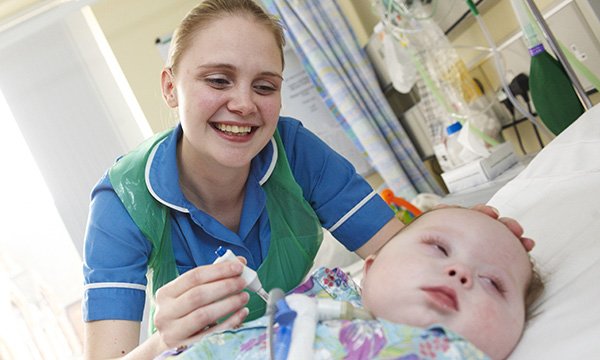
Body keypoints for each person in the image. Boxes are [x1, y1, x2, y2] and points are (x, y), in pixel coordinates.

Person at [81, 1, 534, 358]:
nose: (243, 104)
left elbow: (391, 254)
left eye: (264, 86)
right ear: (168, 87)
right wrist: (167, 341)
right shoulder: (122, 202)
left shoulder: (294, 150)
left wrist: (459, 241)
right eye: (218, 80)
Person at [160, 207, 544, 360]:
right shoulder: (322, 297)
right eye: (439, 247)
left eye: (494, 283)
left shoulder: (447, 352)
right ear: (371, 268)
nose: (462, 273)